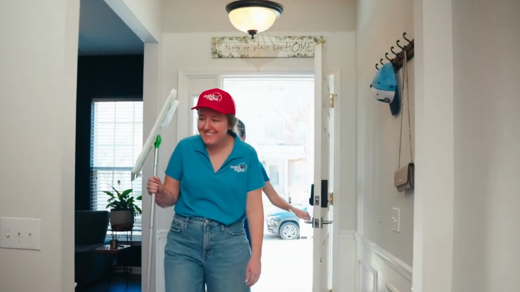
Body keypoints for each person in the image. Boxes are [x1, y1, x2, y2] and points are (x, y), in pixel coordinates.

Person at [147, 88, 265, 292]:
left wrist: (256, 256)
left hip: (230, 244)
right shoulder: (185, 148)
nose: (206, 126)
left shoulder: (247, 155)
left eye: (215, 120)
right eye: (201, 118)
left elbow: (254, 210)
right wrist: (160, 193)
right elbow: (170, 197)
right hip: (183, 241)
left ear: (230, 123)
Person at [235, 119, 311, 245]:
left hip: (245, 229)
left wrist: (294, 210)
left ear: (244, 138)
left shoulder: (253, 165)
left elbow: (272, 196)